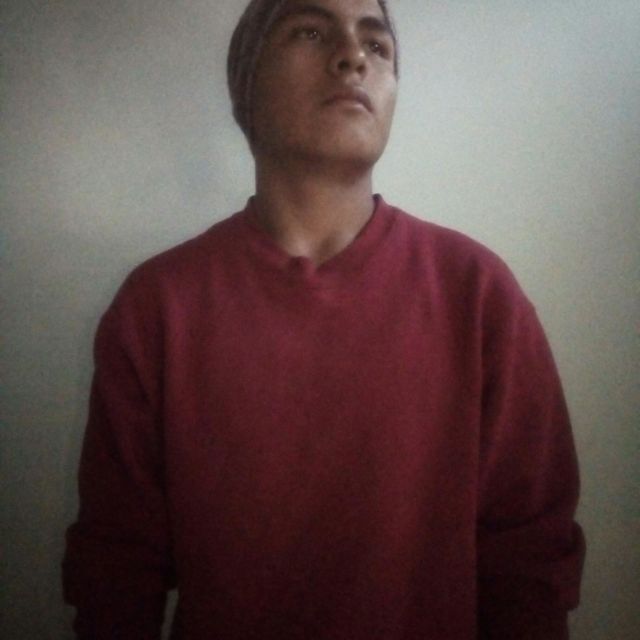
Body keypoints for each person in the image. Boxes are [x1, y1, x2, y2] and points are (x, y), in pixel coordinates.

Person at [63, 0, 585, 638]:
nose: (353, 57)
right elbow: (117, 568)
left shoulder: (478, 294)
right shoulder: (156, 307)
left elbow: (530, 559)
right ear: (246, 83)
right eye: (311, 31)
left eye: (377, 44)